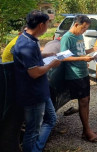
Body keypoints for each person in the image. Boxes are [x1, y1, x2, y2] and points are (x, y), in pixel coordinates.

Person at [13, 11, 61, 152]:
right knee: (33, 130)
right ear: (41, 25)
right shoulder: (27, 44)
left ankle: (37, 148)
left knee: (51, 119)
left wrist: (46, 54)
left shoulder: (29, 39)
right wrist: (51, 64)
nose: (48, 26)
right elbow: (34, 73)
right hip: (33, 94)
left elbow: (32, 57)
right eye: (47, 24)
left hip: (41, 91)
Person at [60, 15, 97, 143]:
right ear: (76, 25)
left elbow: (78, 51)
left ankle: (87, 130)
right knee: (83, 101)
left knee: (87, 100)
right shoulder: (67, 38)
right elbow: (63, 57)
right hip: (74, 74)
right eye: (83, 28)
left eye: (86, 28)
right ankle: (87, 131)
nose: (84, 31)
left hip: (83, 72)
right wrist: (83, 59)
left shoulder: (79, 36)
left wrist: (92, 50)